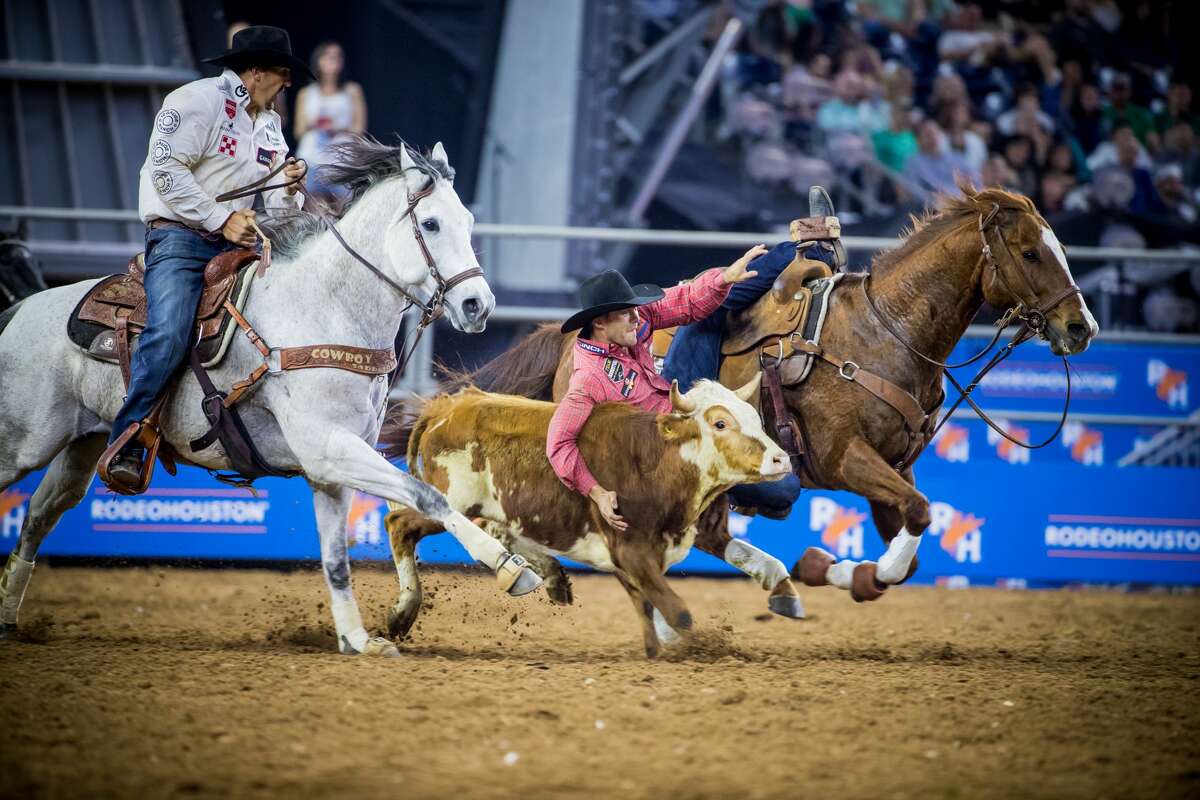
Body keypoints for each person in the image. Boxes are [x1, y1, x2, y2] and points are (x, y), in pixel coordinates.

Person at [103, 26, 313, 489]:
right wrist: (220, 220)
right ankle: (130, 440)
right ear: (255, 71)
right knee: (170, 329)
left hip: (238, 244)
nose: (289, 82)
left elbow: (277, 208)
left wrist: (291, 188)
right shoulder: (195, 102)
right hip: (180, 239)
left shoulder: (271, 125)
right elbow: (164, 171)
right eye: (283, 72)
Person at [546, 247, 766, 532]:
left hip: (683, 419)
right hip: (667, 454)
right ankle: (724, 492)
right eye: (626, 313)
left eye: (634, 310)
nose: (636, 318)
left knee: (710, 311)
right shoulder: (588, 379)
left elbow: (686, 300)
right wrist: (597, 493)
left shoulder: (633, 324)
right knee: (779, 492)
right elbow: (559, 444)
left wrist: (724, 278)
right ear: (600, 323)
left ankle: (797, 251)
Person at [658, 188, 843, 519]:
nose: (626, 320)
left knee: (706, 299)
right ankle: (811, 252)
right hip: (679, 426)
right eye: (618, 315)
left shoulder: (608, 352)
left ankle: (808, 252)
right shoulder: (598, 367)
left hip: (685, 421)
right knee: (786, 489)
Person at [293, 41, 367, 200]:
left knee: (344, 209)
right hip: (312, 160)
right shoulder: (306, 93)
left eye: (337, 56)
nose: (333, 59)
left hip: (342, 161)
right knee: (314, 212)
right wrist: (314, 125)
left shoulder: (352, 90)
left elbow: (360, 129)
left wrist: (337, 128)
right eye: (327, 55)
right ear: (317, 60)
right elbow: (298, 131)